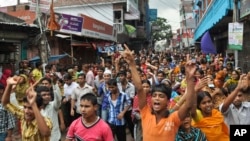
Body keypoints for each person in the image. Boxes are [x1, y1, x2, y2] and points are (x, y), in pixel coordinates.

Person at [122, 45, 197, 141]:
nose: (156, 98)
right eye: (154, 96)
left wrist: (190, 79)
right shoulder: (146, 113)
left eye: (161, 96)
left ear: (168, 101)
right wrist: (132, 64)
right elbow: (140, 89)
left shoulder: (173, 118)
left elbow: (188, 105)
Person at [1, 76, 52, 140]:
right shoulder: (23, 115)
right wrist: (9, 85)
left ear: (40, 108)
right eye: (25, 107)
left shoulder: (46, 121)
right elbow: (5, 103)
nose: (26, 111)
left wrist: (33, 104)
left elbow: (45, 133)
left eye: (30, 108)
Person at [40, 77, 62, 141]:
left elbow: (58, 100)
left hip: (55, 137)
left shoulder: (53, 105)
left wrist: (55, 85)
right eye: (44, 95)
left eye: (48, 95)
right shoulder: (35, 109)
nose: (47, 96)